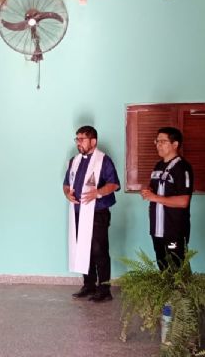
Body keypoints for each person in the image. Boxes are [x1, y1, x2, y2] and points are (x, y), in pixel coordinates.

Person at [62, 126, 120, 302]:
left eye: (82, 139)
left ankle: (104, 289)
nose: (78, 143)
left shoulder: (104, 160)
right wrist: (67, 193)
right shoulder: (74, 161)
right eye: (77, 139)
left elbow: (114, 184)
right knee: (82, 249)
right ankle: (89, 285)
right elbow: (66, 183)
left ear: (93, 141)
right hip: (78, 212)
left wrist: (98, 193)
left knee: (98, 251)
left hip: (97, 213)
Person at [140, 127, 194, 271]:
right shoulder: (158, 165)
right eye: (157, 141)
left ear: (175, 144)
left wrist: (155, 197)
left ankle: (181, 287)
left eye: (163, 141)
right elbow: (154, 189)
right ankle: (167, 287)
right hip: (157, 227)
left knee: (177, 267)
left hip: (174, 228)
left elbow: (183, 201)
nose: (158, 145)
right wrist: (148, 191)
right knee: (162, 265)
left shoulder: (182, 168)